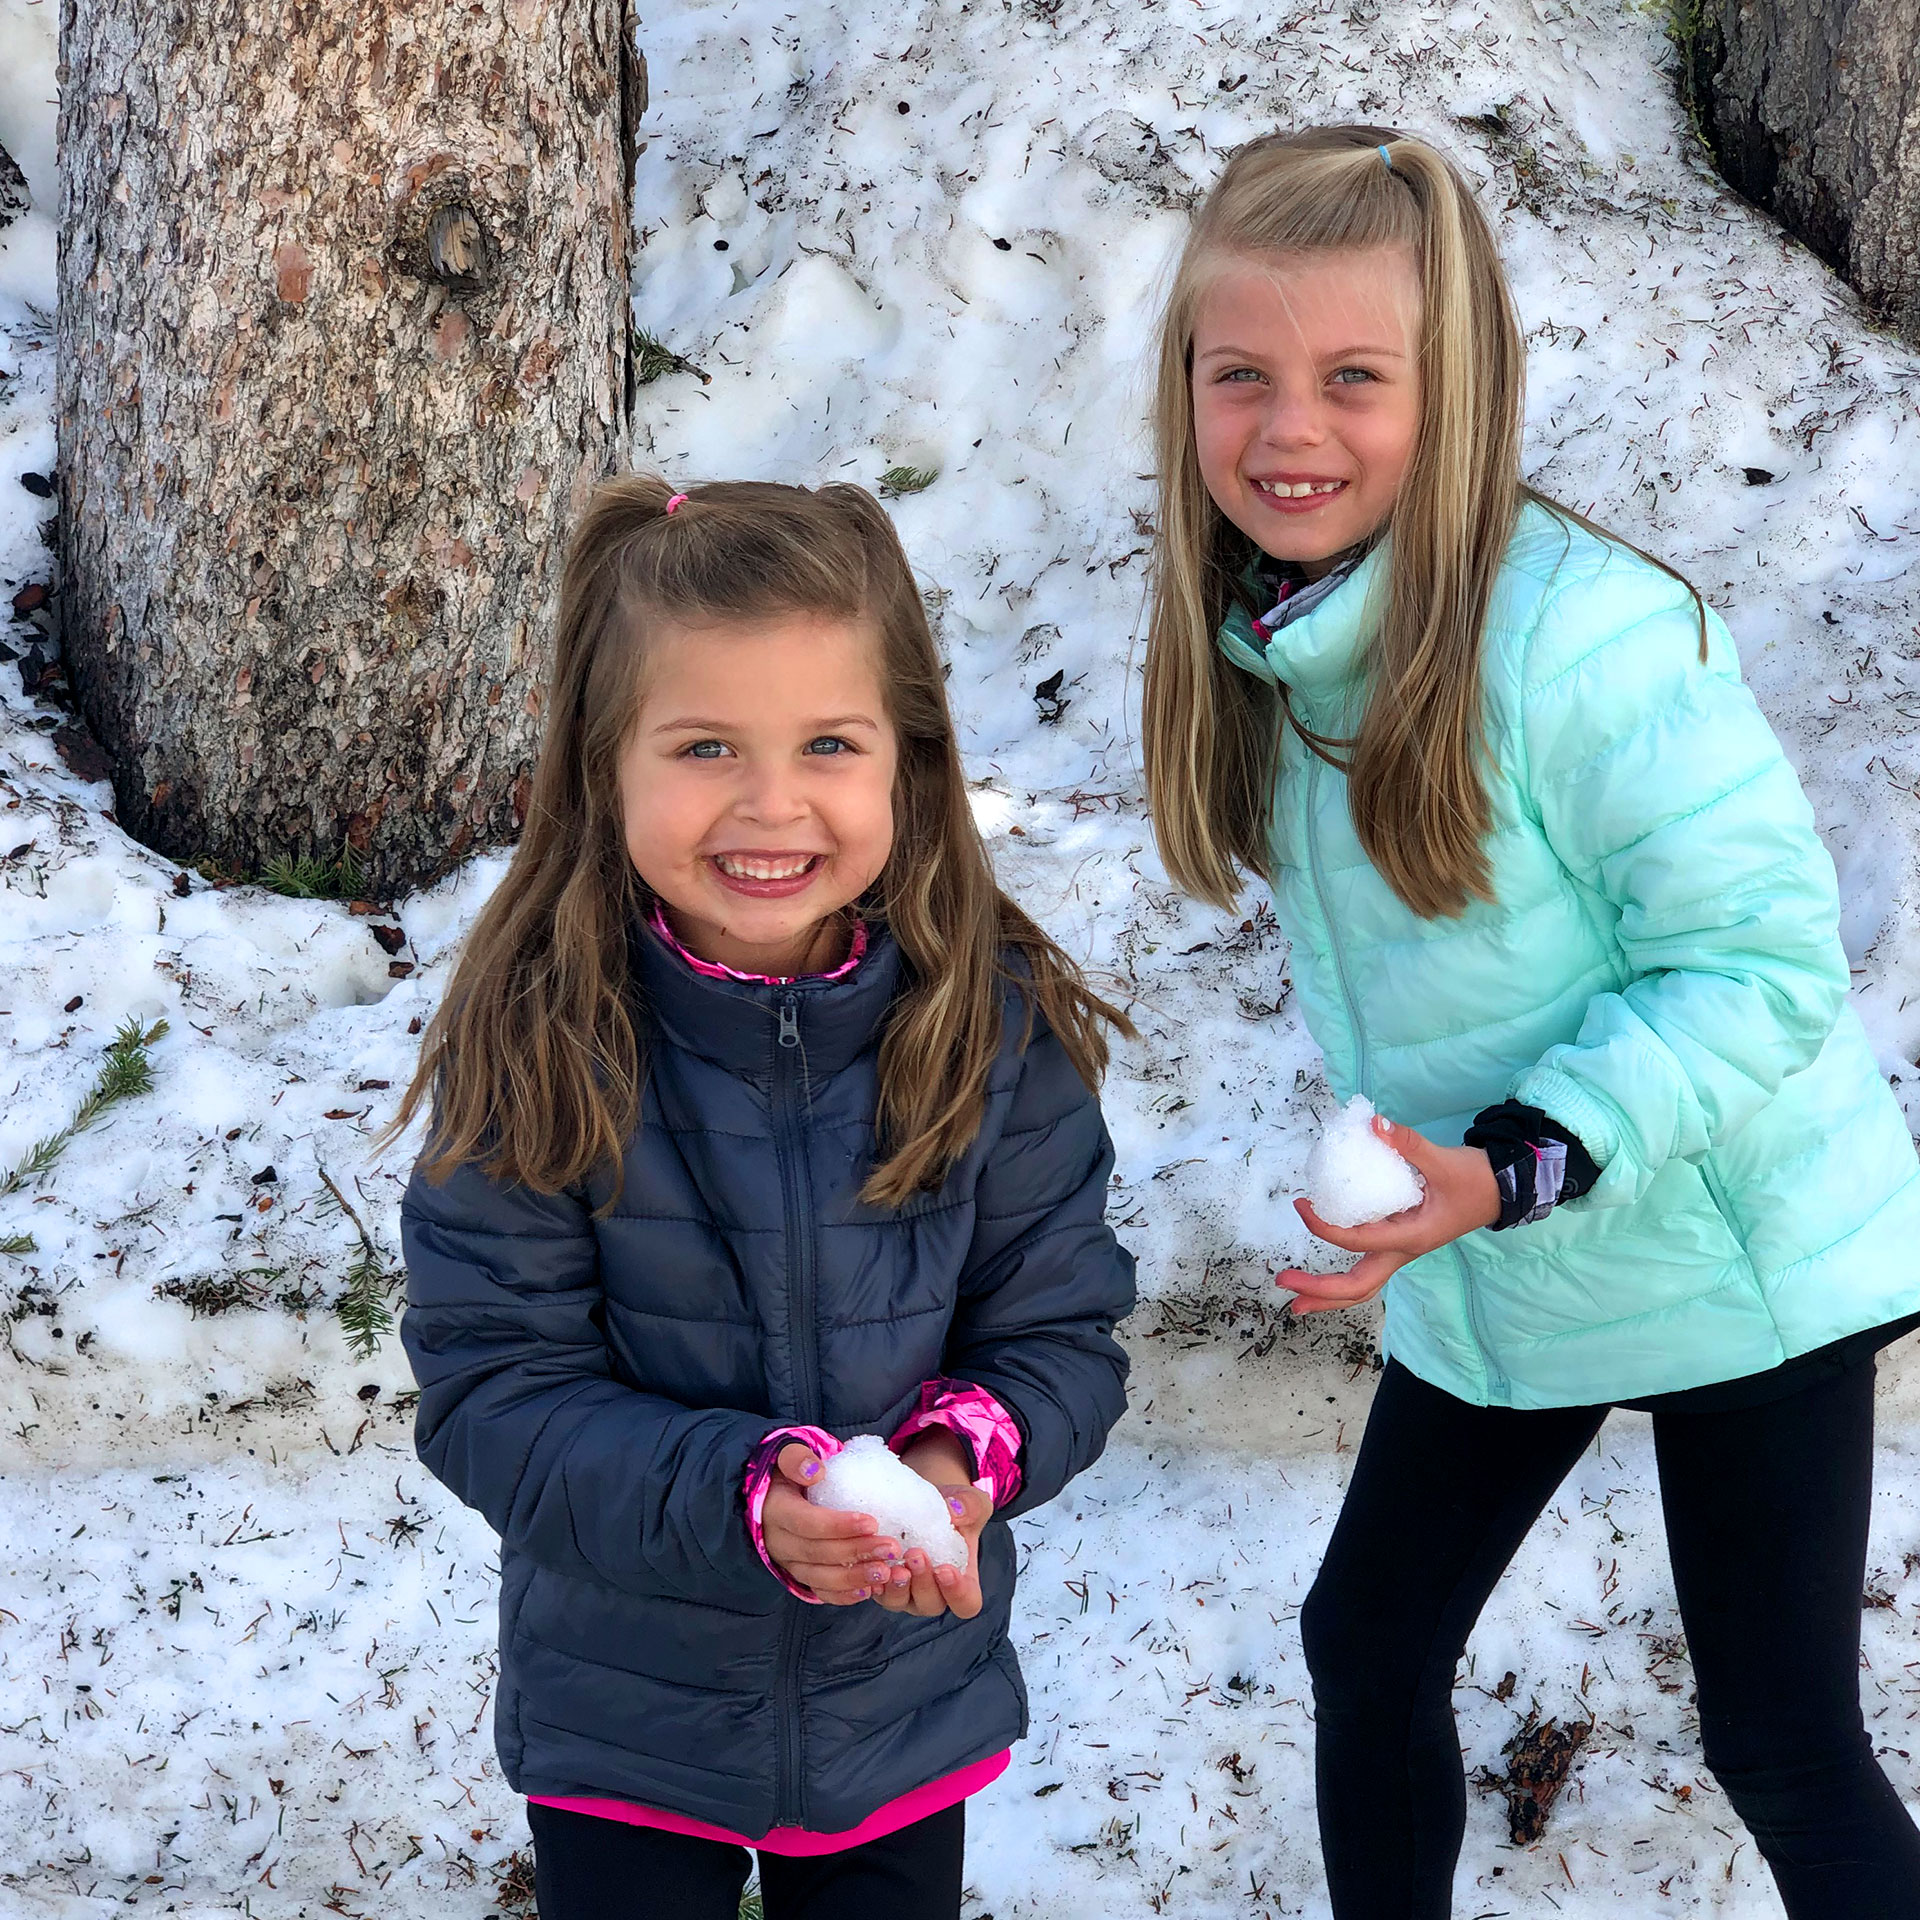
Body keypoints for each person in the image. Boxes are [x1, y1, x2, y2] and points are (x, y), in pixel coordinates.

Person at [1140, 123, 1920, 1918]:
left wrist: (1510, 1161)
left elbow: (1759, 968)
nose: (1287, 432)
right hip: (1506, 1247)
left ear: (1459, 391)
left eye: (1354, 379)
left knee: (1780, 1734)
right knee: (1368, 1642)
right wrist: (1452, 1187)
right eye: (1238, 376)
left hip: (1736, 1246)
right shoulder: (1281, 633)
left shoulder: (1586, 645)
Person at [392, 476, 1135, 1920]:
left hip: (896, 1714)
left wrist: (960, 1460)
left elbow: (1062, 1341)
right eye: (706, 745)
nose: (771, 802)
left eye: (829, 744)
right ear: (601, 764)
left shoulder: (987, 1033)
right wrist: (744, 1499)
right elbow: (493, 1395)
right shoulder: (540, 1042)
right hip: (629, 1719)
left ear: (908, 764)